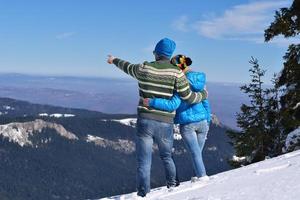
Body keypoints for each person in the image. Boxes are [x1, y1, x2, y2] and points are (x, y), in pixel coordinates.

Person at [106, 38, 208, 197]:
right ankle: (173, 186)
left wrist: (114, 60)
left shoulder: (144, 68)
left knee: (144, 161)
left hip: (145, 120)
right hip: (165, 122)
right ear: (170, 55)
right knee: (167, 156)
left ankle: (143, 194)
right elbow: (187, 96)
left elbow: (127, 66)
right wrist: (203, 94)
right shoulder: (177, 73)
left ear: (155, 53)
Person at [144, 54, 211, 181]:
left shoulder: (180, 83)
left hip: (188, 124)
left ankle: (202, 178)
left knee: (195, 153)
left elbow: (172, 104)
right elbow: (206, 102)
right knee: (197, 154)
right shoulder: (201, 81)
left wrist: (152, 102)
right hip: (203, 122)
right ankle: (199, 176)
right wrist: (207, 121)